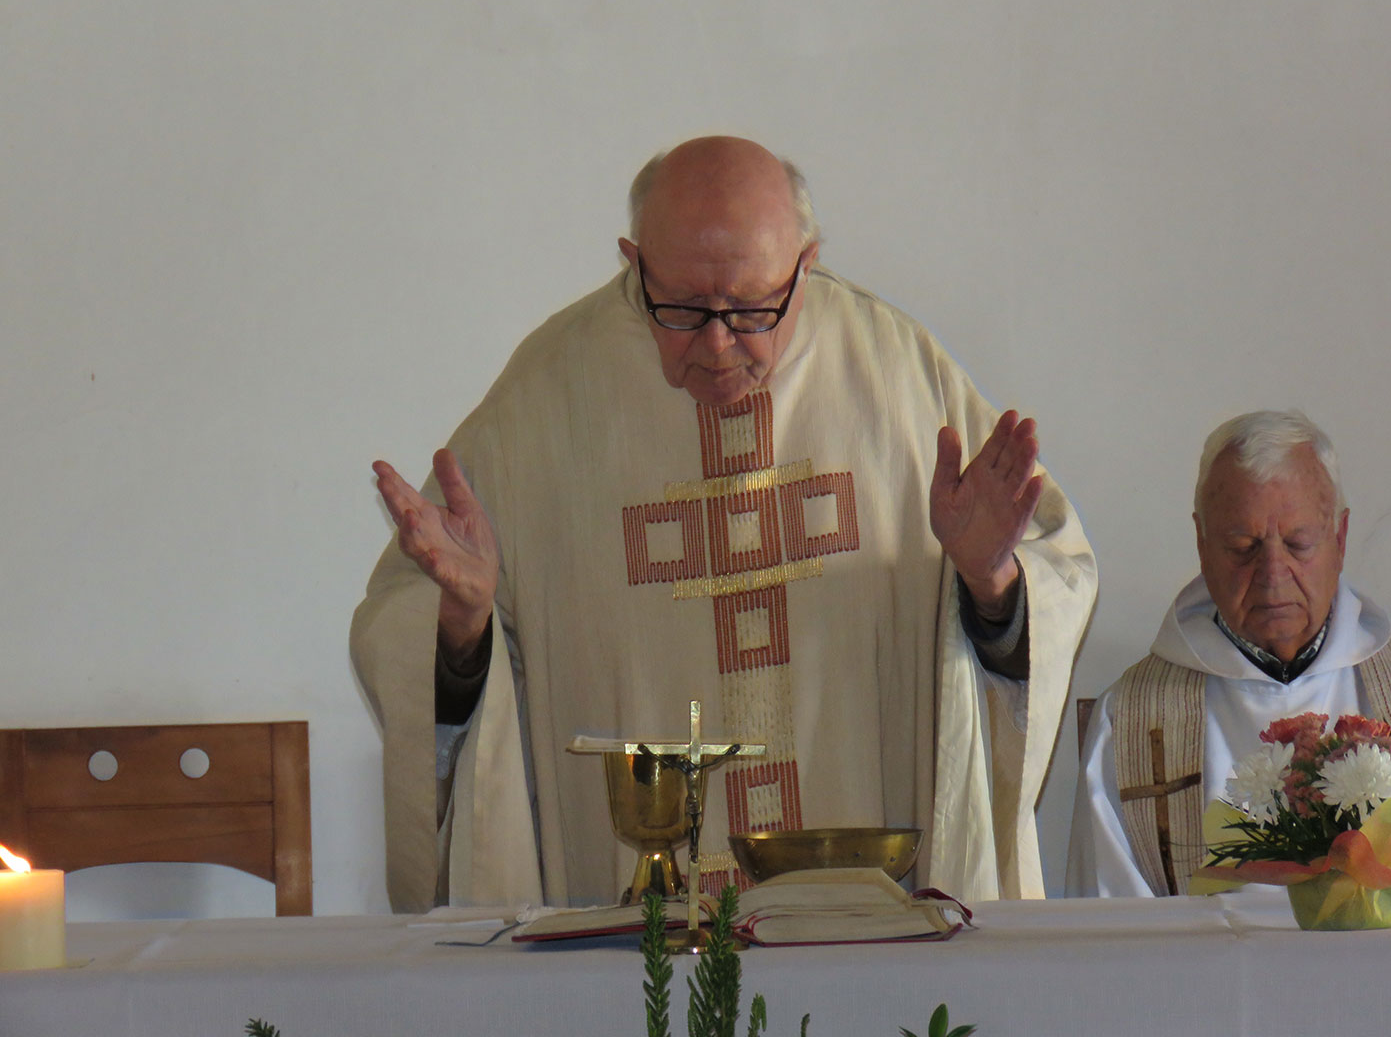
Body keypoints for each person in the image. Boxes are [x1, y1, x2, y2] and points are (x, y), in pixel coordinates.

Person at [351, 136, 1097, 912]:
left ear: (806, 267)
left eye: (748, 310)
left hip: (865, 922)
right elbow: (404, 636)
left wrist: (992, 583)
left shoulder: (902, 378)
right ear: (631, 261)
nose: (714, 342)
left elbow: (1055, 579)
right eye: (677, 308)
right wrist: (461, 626)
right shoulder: (542, 403)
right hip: (633, 931)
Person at [1067, 409, 1391, 897]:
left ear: (1341, 539)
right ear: (1202, 543)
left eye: (1298, 543)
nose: (1272, 572)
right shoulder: (1132, 719)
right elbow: (1110, 932)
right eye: (1243, 546)